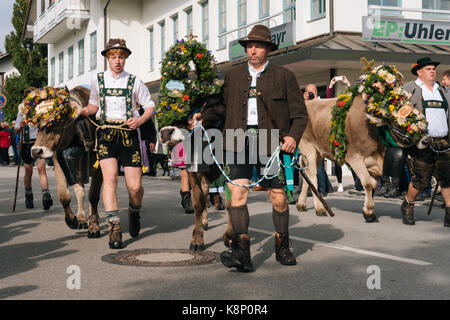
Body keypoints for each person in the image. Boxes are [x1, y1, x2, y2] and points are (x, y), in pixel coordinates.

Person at [192, 25, 308, 272]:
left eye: (258, 46)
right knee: (237, 193)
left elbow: (299, 115)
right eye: (249, 46)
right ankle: (241, 253)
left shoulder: (284, 76)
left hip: (271, 141)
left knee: (277, 197)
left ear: (268, 49)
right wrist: (204, 117)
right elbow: (222, 107)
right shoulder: (233, 76)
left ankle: (283, 246)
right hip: (236, 139)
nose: (253, 50)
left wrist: (293, 138)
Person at [81, 38, 155, 249]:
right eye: (113, 57)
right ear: (107, 58)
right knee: (110, 178)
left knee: (134, 186)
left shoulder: (135, 81)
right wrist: (85, 110)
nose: (117, 61)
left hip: (128, 133)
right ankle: (114, 227)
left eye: (121, 57)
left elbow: (149, 106)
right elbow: (94, 104)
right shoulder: (97, 80)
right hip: (106, 133)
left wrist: (139, 120)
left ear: (126, 58)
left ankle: (134, 210)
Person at [401, 57, 450, 226]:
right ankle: (408, 204)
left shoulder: (442, 90)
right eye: (428, 69)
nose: (433, 71)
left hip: (443, 142)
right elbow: (401, 116)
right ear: (419, 72)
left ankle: (449, 212)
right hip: (422, 143)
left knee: (447, 179)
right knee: (421, 181)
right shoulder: (410, 89)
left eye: (434, 69)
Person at [15, 105, 53, 210]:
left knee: (42, 170)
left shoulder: (40, 110)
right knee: (28, 171)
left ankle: (46, 196)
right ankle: (29, 196)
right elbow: (16, 129)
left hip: (38, 143)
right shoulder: (21, 111)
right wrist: (20, 126)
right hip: (26, 143)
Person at [304, 83, 333, 196]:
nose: (311, 94)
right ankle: (322, 187)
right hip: (309, 137)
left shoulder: (321, 103)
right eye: (308, 92)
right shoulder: (305, 103)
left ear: (316, 92)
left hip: (320, 137)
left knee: (318, 167)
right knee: (309, 165)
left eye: (312, 92)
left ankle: (322, 189)